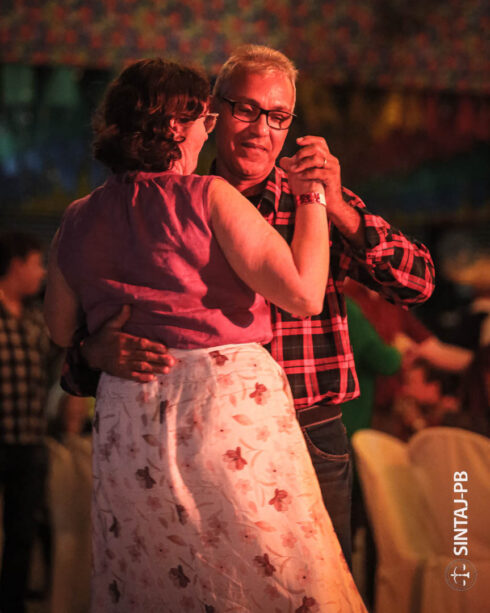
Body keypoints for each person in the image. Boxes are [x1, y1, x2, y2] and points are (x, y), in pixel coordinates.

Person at [61, 45, 435, 566]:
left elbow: (417, 284)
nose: (262, 130)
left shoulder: (310, 201)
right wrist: (89, 354)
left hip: (307, 429)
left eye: (279, 116)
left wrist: (338, 208)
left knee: (316, 583)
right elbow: (82, 338)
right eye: (247, 110)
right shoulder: (165, 203)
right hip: (193, 437)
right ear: (212, 113)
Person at [0, 232, 53, 613]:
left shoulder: (35, 317)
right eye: (37, 263)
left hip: (30, 443)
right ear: (16, 265)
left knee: (22, 533)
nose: (42, 272)